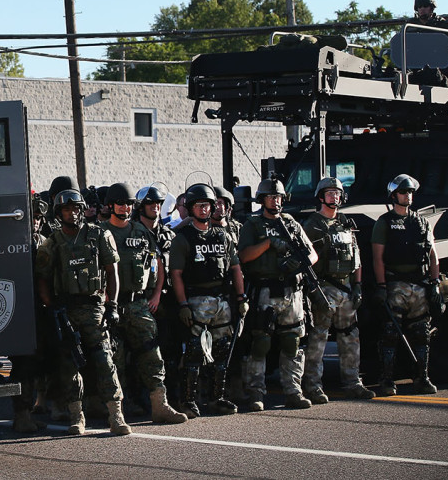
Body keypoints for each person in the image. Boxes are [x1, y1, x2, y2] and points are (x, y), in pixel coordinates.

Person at [34, 188, 130, 436]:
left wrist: (112, 305)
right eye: (67, 209)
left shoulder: (98, 235)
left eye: (76, 208)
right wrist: (51, 307)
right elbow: (42, 278)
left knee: (105, 361)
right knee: (69, 365)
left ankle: (116, 415)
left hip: (95, 307)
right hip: (66, 311)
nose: (72, 213)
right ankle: (77, 417)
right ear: (58, 213)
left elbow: (112, 272)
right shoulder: (52, 242)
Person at [102, 182, 187, 425]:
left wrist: (157, 294)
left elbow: (158, 264)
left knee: (152, 354)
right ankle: (118, 408)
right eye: (121, 203)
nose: (125, 208)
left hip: (139, 303)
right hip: (111, 305)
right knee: (114, 358)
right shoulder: (100, 233)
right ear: (110, 206)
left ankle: (160, 404)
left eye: (129, 204)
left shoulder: (141, 232)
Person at [237, 177, 317, 411]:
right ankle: (256, 393)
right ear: (262, 200)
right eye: (272, 196)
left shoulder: (291, 223)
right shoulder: (253, 224)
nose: (276, 200)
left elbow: (312, 254)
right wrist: (269, 243)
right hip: (264, 290)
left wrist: (299, 264)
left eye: (279, 196)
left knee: (293, 341)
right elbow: (244, 256)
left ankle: (293, 391)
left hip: (292, 291)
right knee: (260, 343)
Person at [170, 184, 247, 417]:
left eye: (207, 205)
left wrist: (241, 298)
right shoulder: (183, 238)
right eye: (199, 205)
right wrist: (183, 305)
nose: (204, 209)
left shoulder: (223, 236)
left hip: (222, 301)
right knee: (194, 353)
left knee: (222, 353)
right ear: (191, 208)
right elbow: (176, 275)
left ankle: (217, 398)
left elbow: (236, 268)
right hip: (196, 300)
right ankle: (188, 401)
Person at [301, 177, 375, 403]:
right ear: (321, 197)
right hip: (323, 288)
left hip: (346, 289)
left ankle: (353, 383)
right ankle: (313, 385)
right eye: (330, 193)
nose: (335, 197)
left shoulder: (345, 223)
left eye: (337, 193)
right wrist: (313, 292)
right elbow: (304, 261)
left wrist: (358, 286)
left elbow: (357, 258)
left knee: (350, 337)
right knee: (318, 339)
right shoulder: (312, 225)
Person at [372, 174, 442, 396]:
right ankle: (387, 380)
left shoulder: (422, 222)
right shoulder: (384, 222)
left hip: (420, 285)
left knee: (422, 334)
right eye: (404, 192)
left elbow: (433, 255)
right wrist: (382, 286)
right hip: (395, 286)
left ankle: (422, 378)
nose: (408, 196)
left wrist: (435, 284)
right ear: (394, 195)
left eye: (410, 192)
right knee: (390, 334)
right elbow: (378, 257)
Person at [11, 193, 51, 433]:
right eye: (32, 217)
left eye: (38, 218)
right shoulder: (14, 242)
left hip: (40, 309)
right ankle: (21, 415)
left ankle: (33, 408)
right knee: (22, 366)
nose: (35, 222)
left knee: (37, 363)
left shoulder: (43, 241)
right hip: (20, 309)